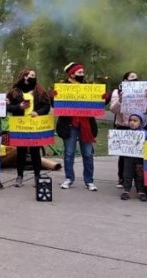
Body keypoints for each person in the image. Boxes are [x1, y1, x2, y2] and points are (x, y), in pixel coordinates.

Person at [56, 63, 99, 191]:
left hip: (86, 125)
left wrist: (103, 99)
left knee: (88, 154)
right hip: (70, 125)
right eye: (79, 73)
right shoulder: (63, 87)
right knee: (69, 153)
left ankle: (89, 181)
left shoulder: (88, 88)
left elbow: (97, 105)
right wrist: (53, 96)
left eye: (83, 72)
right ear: (72, 74)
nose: (82, 75)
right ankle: (69, 178)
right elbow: (56, 105)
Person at [110, 71, 147, 188]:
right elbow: (113, 109)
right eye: (131, 80)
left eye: (136, 80)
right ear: (124, 81)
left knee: (139, 154)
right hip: (123, 126)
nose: (134, 82)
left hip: (139, 128)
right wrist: (120, 99)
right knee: (124, 155)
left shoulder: (143, 92)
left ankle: (139, 179)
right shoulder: (117, 92)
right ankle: (123, 179)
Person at [6, 69, 51, 187]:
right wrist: (19, 107)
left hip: (35, 126)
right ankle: (19, 176)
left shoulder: (40, 91)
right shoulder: (14, 92)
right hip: (20, 125)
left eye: (34, 76)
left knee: (35, 152)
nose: (33, 77)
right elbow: (7, 107)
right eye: (31, 75)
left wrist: (38, 112)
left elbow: (47, 106)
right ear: (24, 77)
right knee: (21, 152)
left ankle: (37, 176)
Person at [119, 112, 147, 202]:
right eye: (130, 120)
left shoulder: (146, 134)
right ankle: (126, 191)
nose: (132, 122)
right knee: (127, 173)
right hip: (128, 158)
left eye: (135, 120)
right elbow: (118, 143)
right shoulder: (125, 134)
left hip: (140, 159)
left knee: (140, 175)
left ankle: (141, 191)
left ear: (141, 123)